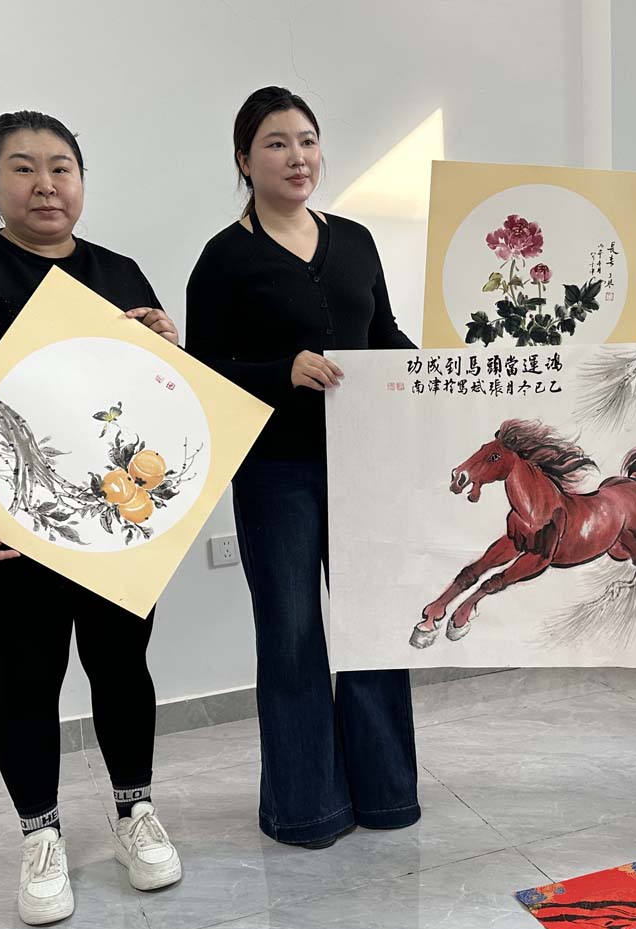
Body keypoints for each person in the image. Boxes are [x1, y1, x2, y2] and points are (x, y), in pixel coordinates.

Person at [0, 111, 183, 925]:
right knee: (27, 675)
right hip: (8, 521)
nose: (45, 184)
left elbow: (154, 400)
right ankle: (40, 833)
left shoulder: (119, 271)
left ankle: (134, 811)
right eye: (22, 168)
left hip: (116, 518)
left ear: (82, 180)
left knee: (121, 665)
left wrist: (169, 347)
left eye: (61, 167)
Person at [185, 87, 421, 849]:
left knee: (372, 627)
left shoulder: (354, 240)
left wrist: (438, 374)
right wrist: (279, 371)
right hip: (274, 471)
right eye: (277, 143)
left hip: (362, 462)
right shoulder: (223, 259)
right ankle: (305, 807)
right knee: (291, 633)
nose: (297, 157)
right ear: (244, 160)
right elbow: (202, 374)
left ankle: (386, 794)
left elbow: (382, 334)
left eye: (308, 140)